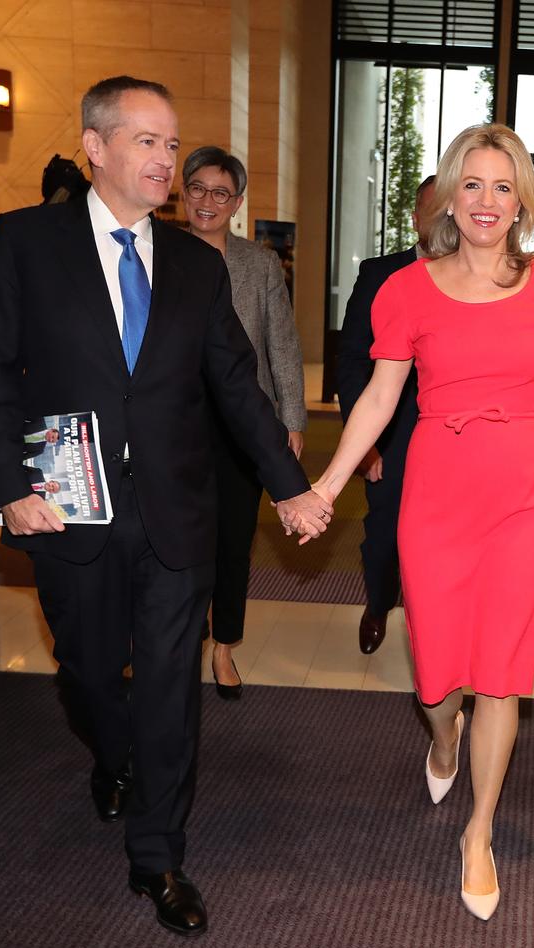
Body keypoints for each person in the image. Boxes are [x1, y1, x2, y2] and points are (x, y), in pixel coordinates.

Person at [0, 75, 332, 938]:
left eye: (172, 144)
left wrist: (294, 488)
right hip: (69, 509)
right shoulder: (25, 241)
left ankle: (159, 857)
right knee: (92, 674)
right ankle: (114, 756)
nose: (166, 160)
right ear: (95, 147)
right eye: (147, 141)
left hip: (177, 513)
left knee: (170, 687)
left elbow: (238, 387)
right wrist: (9, 491)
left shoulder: (199, 267)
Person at [311, 123, 534, 920]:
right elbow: (377, 398)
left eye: (504, 187)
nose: (487, 201)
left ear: (522, 203)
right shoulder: (406, 289)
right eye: (473, 184)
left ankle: (479, 831)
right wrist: (329, 484)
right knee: (439, 672)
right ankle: (442, 735)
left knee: (503, 672)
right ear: (448, 194)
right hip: (434, 491)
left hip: (526, 498)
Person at [181, 146, 307, 698]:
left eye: (220, 193)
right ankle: (175, 643)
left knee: (233, 541)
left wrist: (292, 419)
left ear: (236, 202)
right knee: (176, 543)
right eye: (198, 189)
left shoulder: (258, 264)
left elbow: (281, 344)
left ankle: (224, 646)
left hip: (243, 424)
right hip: (172, 427)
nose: (208, 201)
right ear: (182, 193)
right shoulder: (154, 253)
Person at [337, 176, 435, 654]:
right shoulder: (381, 274)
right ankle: (379, 601)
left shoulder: (477, 278)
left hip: (454, 435)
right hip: (390, 431)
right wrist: (364, 443)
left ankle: (434, 623)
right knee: (384, 532)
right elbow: (353, 358)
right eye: (432, 211)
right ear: (415, 218)